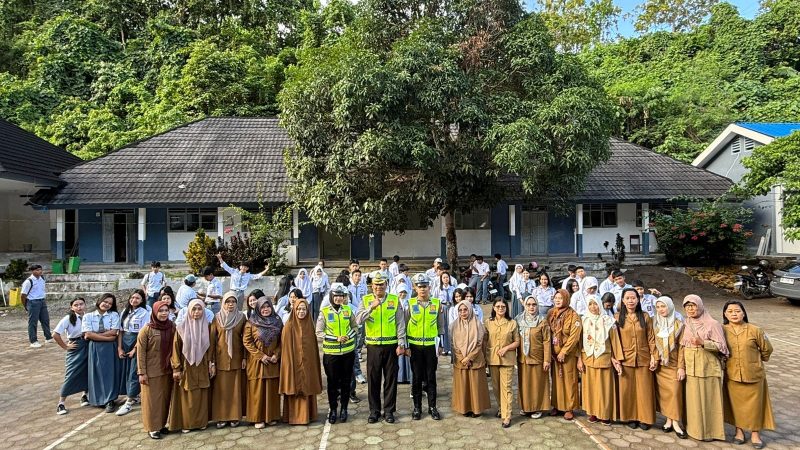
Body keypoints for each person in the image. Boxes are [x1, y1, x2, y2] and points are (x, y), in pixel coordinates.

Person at [355, 272, 407, 424]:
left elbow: (400, 323)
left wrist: (401, 343)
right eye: (376, 284)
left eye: (381, 284)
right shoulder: (365, 300)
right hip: (373, 345)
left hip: (391, 345)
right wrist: (371, 307)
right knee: (373, 379)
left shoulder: (393, 299)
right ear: (372, 286)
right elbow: (358, 320)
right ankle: (374, 411)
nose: (379, 287)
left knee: (391, 379)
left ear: (386, 285)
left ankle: (389, 411)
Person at [722, 301, 774, 449]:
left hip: (753, 375)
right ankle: (739, 432)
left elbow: (767, 349)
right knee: (735, 405)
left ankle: (755, 434)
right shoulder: (722, 330)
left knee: (755, 407)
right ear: (725, 314)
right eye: (730, 311)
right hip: (732, 374)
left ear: (743, 313)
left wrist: (756, 362)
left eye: (737, 311)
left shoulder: (755, 330)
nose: (734, 314)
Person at [681, 294, 728, 442]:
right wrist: (680, 366)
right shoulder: (685, 323)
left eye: (693, 306)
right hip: (691, 367)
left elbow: (722, 347)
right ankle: (693, 429)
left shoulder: (712, 324)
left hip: (707, 366)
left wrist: (703, 343)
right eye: (687, 306)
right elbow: (682, 347)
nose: (690, 309)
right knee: (693, 400)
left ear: (700, 306)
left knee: (709, 400)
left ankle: (711, 432)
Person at [168, 299, 214, 434]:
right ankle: (187, 423)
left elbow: (212, 348)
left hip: (202, 366)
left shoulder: (208, 326)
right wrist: (176, 368)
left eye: (200, 309)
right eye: (194, 309)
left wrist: (211, 363)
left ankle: (201, 422)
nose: (197, 312)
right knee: (187, 396)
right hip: (186, 366)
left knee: (201, 394)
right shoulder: (181, 328)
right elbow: (175, 349)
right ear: (188, 311)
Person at [615, 287, 657, 430]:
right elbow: (615, 340)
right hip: (626, 358)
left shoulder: (645, 316)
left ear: (638, 299)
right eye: (627, 298)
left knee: (644, 390)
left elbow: (651, 338)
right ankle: (630, 417)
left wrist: (654, 356)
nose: (630, 301)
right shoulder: (617, 317)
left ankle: (645, 418)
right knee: (628, 390)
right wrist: (617, 359)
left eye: (633, 298)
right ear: (622, 300)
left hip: (643, 358)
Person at [577, 294, 622, 425]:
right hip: (588, 359)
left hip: (604, 358)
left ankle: (605, 414)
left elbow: (615, 341)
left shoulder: (609, 321)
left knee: (604, 388)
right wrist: (579, 359)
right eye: (590, 304)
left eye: (595, 304)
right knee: (590, 388)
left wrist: (616, 359)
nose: (593, 307)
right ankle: (593, 413)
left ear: (600, 304)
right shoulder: (584, 320)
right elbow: (579, 342)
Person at [316, 285, 358, 424]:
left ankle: (344, 409)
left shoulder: (348, 310)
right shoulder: (325, 312)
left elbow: (355, 327)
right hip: (331, 354)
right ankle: (333, 409)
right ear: (331, 297)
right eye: (336, 296)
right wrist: (336, 338)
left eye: (341, 296)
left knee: (346, 381)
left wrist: (348, 336)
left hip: (347, 352)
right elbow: (319, 332)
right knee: (332, 383)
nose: (339, 298)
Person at [406, 274, 446, 421]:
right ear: (415, 288)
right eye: (419, 286)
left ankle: (432, 407)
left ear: (429, 287)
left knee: (431, 377)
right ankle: (417, 408)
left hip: (431, 346)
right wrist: (406, 345)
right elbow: (404, 325)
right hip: (415, 346)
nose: (422, 289)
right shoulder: (409, 304)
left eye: (425, 286)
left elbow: (441, 326)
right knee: (416, 377)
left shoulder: (437, 303)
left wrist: (441, 344)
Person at [280, 298, 322, 425]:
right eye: (298, 309)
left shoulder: (310, 325)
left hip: (307, 364)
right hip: (293, 364)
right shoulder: (288, 326)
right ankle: (293, 417)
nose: (301, 312)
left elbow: (313, 348)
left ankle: (308, 415)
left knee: (308, 384)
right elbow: (285, 350)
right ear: (294, 309)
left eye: (304, 309)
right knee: (294, 386)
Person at [136, 300, 175, 439]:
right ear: (154, 312)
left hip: (167, 370)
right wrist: (142, 372)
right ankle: (152, 427)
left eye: (166, 310)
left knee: (164, 399)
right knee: (152, 401)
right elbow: (140, 353)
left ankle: (161, 425)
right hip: (151, 372)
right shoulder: (146, 329)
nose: (164, 313)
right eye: (161, 311)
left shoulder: (171, 326)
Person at [243, 297, 283, 428]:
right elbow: (247, 342)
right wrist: (261, 356)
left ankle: (271, 416)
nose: (266, 309)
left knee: (271, 390)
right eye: (263, 307)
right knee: (257, 390)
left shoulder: (277, 321)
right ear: (258, 309)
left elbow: (282, 341)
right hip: (257, 363)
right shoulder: (252, 322)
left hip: (272, 361)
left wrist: (276, 355)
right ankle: (258, 418)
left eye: (268, 307)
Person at [210, 292, 246, 428]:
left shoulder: (241, 318)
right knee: (221, 390)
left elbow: (245, 340)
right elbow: (212, 340)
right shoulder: (217, 318)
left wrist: (244, 358)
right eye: (227, 302)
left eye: (233, 301)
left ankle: (234, 417)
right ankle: (221, 417)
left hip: (236, 358)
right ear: (223, 303)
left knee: (235, 390)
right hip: (221, 359)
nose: (230, 304)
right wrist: (211, 361)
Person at [653, 296, 687, 438]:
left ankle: (675, 423)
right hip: (661, 365)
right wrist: (654, 359)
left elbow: (682, 347)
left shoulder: (679, 324)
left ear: (671, 306)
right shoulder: (655, 323)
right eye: (658, 307)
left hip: (673, 364)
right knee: (665, 394)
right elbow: (653, 344)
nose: (661, 310)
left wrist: (681, 367)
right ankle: (668, 420)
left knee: (674, 393)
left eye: (664, 306)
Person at [450, 300, 491, 418]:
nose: (463, 312)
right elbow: (453, 344)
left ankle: (477, 409)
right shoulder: (454, 325)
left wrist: (469, 357)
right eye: (460, 310)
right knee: (463, 385)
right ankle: (464, 408)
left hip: (476, 359)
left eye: (465, 310)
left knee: (475, 385)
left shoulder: (478, 324)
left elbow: (479, 343)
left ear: (470, 310)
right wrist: (462, 357)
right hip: (461, 361)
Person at [82, 293, 121, 412]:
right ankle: (98, 399)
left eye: (110, 303)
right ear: (99, 301)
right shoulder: (88, 316)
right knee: (96, 372)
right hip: (95, 347)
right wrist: (107, 337)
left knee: (109, 372)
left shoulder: (114, 315)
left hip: (110, 348)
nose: (107, 305)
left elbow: (114, 331)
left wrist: (95, 335)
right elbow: (87, 334)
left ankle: (110, 399)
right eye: (105, 302)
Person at [116, 289, 152, 416]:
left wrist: (135, 349)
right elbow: (120, 331)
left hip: (137, 343)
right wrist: (120, 348)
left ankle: (129, 402)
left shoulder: (144, 313)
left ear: (142, 300)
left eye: (137, 298)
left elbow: (144, 334)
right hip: (125, 342)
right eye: (132, 298)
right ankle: (133, 395)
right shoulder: (125, 312)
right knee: (125, 371)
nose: (134, 300)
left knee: (133, 371)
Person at [485, 298, 519, 428]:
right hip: (493, 359)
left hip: (507, 359)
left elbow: (517, 341)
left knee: (507, 388)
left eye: (503, 306)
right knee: (496, 387)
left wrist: (506, 348)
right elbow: (485, 340)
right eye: (498, 306)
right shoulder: (488, 323)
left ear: (506, 308)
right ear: (493, 308)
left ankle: (507, 415)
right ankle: (501, 408)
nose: (500, 308)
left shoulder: (512, 323)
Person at [547, 288, 581, 420]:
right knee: (556, 381)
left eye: (560, 298)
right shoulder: (551, 313)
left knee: (569, 380)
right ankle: (557, 405)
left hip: (568, 355)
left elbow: (574, 336)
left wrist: (564, 351)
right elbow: (547, 332)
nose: (557, 300)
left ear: (566, 299)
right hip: (554, 355)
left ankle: (569, 407)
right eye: (556, 298)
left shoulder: (573, 315)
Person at [515, 295, 551, 419]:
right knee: (525, 383)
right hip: (523, 358)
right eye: (529, 304)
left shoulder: (542, 320)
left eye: (534, 304)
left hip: (538, 357)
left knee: (537, 384)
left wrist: (547, 359)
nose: (531, 307)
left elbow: (547, 340)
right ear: (524, 305)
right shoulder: (519, 319)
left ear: (537, 306)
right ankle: (526, 407)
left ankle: (537, 407)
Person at [54, 297, 89, 415]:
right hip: (75, 345)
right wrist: (65, 346)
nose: (79, 307)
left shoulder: (88, 316)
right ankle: (61, 403)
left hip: (88, 344)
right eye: (76, 305)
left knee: (88, 371)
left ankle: (85, 395)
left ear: (85, 305)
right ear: (71, 307)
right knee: (71, 373)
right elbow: (55, 334)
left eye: (81, 304)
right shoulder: (68, 318)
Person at [21, 264, 52, 348]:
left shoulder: (42, 278)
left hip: (42, 301)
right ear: (33, 271)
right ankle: (33, 341)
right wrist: (26, 305)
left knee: (45, 320)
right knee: (33, 322)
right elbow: (23, 295)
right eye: (37, 270)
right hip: (33, 302)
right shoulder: (29, 281)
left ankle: (48, 337)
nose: (40, 271)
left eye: (40, 270)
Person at [432, 271, 456, 356]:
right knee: (443, 328)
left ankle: (451, 348)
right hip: (442, 309)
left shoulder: (453, 288)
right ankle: (443, 347)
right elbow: (434, 300)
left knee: (450, 327)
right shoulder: (437, 289)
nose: (446, 279)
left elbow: (455, 299)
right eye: (444, 277)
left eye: (447, 277)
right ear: (441, 279)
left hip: (451, 308)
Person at [396, 284, 413, 385]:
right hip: (399, 332)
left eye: (404, 292)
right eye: (401, 292)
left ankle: (409, 376)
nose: (402, 294)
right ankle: (400, 376)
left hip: (408, 331)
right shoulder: (394, 303)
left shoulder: (409, 303)